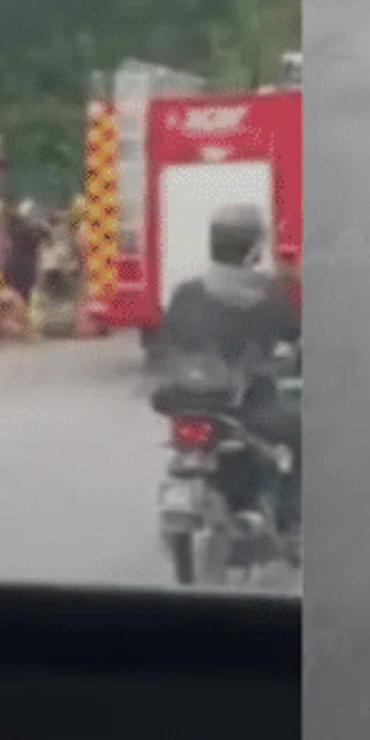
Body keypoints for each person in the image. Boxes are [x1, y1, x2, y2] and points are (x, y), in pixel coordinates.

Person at [154, 205, 301, 522]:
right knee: (299, 433)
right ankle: (289, 519)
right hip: (243, 403)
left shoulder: (187, 291)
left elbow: (166, 340)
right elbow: (290, 338)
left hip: (184, 399)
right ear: (255, 245)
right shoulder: (268, 294)